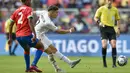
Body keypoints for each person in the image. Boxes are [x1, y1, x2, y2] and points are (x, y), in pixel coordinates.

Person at [34, 5, 81, 72]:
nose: (57, 14)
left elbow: (33, 12)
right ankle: (58, 68)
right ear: (52, 12)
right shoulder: (48, 22)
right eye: (56, 12)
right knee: (50, 52)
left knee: (53, 50)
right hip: (37, 37)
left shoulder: (44, 12)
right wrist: (69, 30)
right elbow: (59, 31)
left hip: (41, 34)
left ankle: (69, 63)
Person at [8, 0, 46, 72]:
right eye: (30, 1)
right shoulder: (29, 9)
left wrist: (10, 38)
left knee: (26, 49)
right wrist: (34, 34)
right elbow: (30, 22)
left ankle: (28, 68)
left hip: (18, 36)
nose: (31, 2)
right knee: (41, 46)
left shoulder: (16, 11)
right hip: (26, 35)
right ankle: (33, 64)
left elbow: (10, 24)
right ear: (27, 1)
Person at [94, 0, 120, 68]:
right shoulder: (101, 8)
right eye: (108, 0)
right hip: (103, 28)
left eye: (110, 0)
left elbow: (117, 20)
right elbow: (95, 17)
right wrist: (99, 22)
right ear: (106, 1)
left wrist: (118, 29)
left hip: (111, 28)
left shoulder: (115, 9)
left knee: (113, 45)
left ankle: (114, 64)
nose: (109, 2)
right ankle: (104, 63)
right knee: (104, 45)